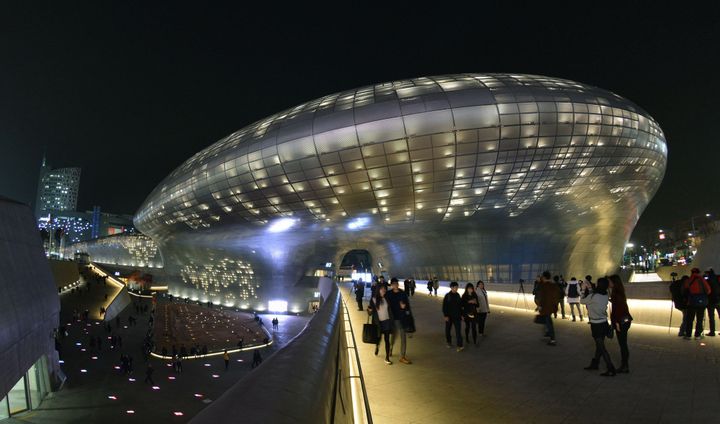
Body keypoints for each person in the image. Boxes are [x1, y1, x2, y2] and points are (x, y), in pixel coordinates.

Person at [580, 277, 615, 376]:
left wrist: (583, 290)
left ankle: (610, 368)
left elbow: (582, 301)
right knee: (599, 346)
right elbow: (592, 297)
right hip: (604, 323)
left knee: (601, 347)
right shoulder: (605, 294)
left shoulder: (594, 296)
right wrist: (590, 288)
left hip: (596, 325)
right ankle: (595, 363)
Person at [609, 274, 632, 373]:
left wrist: (617, 324)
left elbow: (618, 310)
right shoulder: (619, 292)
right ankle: (625, 364)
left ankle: (625, 366)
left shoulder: (616, 294)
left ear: (614, 282)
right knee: (623, 343)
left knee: (622, 344)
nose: (608, 283)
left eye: (609, 281)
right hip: (625, 320)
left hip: (621, 322)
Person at [386, 278, 412, 364]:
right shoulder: (388, 294)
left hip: (402, 318)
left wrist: (405, 307)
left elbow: (407, 305)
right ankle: (390, 348)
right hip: (393, 319)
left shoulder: (402, 293)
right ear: (391, 285)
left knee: (403, 337)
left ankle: (402, 356)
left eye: (396, 283)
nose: (395, 285)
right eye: (393, 284)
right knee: (393, 336)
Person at [367, 284, 394, 364]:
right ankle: (377, 346)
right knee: (378, 338)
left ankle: (387, 358)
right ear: (378, 290)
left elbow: (390, 310)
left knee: (387, 339)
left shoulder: (387, 298)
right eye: (382, 289)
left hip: (387, 321)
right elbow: (370, 313)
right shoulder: (373, 300)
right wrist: (370, 310)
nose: (384, 290)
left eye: (384, 289)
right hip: (378, 323)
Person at [683, 268, 712, 339]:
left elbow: (685, 288)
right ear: (698, 272)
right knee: (699, 319)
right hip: (701, 302)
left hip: (691, 302)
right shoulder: (702, 279)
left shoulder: (689, 280)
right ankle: (697, 335)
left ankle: (688, 335)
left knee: (690, 319)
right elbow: (708, 290)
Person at [537, 271, 559, 345]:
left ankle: (552, 339)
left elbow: (542, 297)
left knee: (549, 323)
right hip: (551, 307)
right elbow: (556, 296)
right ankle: (548, 333)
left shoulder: (544, 286)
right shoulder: (553, 285)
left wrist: (540, 306)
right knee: (548, 321)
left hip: (546, 307)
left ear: (544, 277)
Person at [443, 282, 464, 351]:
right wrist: (445, 315)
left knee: (458, 331)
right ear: (451, 287)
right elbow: (444, 306)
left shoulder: (458, 295)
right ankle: (449, 342)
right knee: (448, 330)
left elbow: (460, 306)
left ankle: (459, 345)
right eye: (455, 287)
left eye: (457, 287)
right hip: (449, 317)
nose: (457, 288)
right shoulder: (447, 296)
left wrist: (462, 315)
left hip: (457, 316)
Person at [705, 269, 720, 336]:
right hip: (718, 300)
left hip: (710, 301)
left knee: (711, 317)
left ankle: (712, 332)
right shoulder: (718, 280)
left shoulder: (708, 281)